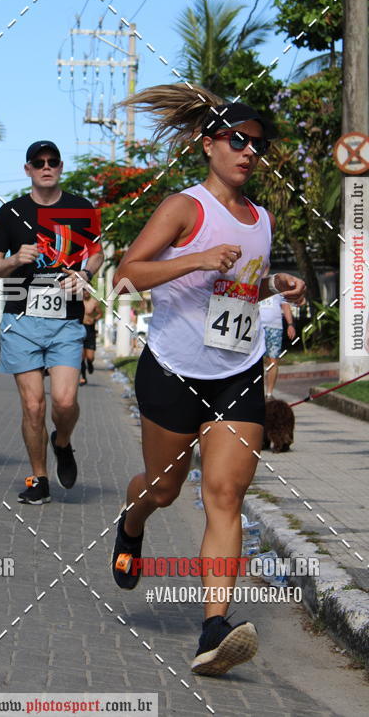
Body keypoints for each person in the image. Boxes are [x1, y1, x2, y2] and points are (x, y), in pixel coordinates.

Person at [109, 85, 305, 676]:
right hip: (172, 369)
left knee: (225, 497)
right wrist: (194, 258)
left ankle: (213, 628)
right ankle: (132, 521)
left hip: (236, 374)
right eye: (237, 140)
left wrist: (275, 286)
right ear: (209, 144)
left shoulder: (261, 218)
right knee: (165, 490)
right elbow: (128, 274)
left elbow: (245, 283)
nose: (249, 152)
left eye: (258, 145)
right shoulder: (185, 207)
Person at [0, 140, 104, 504]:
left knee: (65, 403)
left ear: (60, 166)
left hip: (65, 321)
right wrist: (13, 260)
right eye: (38, 162)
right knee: (34, 406)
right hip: (20, 319)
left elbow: (97, 254)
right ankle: (39, 479)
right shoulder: (10, 212)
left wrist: (85, 274)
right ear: (28, 170)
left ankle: (63, 442)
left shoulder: (80, 208)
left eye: (52, 161)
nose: (46, 167)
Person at [260, 288, 296, 398]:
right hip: (256, 327)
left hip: (274, 327)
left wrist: (290, 324)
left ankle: (269, 394)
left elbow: (285, 305)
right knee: (254, 362)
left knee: (273, 360)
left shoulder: (278, 284)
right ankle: (256, 394)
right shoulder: (253, 280)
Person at [79, 290, 102, 385]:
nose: (86, 293)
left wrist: (95, 319)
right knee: (81, 357)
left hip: (90, 329)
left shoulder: (94, 302)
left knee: (90, 357)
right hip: (80, 328)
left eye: (88, 291)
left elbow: (100, 313)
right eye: (84, 291)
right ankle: (83, 377)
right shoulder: (78, 301)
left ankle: (90, 363)